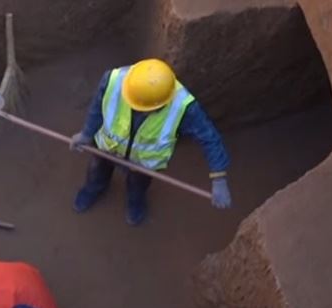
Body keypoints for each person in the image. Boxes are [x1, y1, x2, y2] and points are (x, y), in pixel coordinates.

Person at [70, 58, 232, 226]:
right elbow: (98, 107)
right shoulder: (113, 80)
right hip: (108, 146)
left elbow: (209, 137)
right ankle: (93, 190)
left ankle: (135, 204)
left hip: (143, 162)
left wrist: (219, 177)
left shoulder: (184, 107)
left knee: (137, 186)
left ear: (162, 104)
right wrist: (86, 134)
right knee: (97, 171)